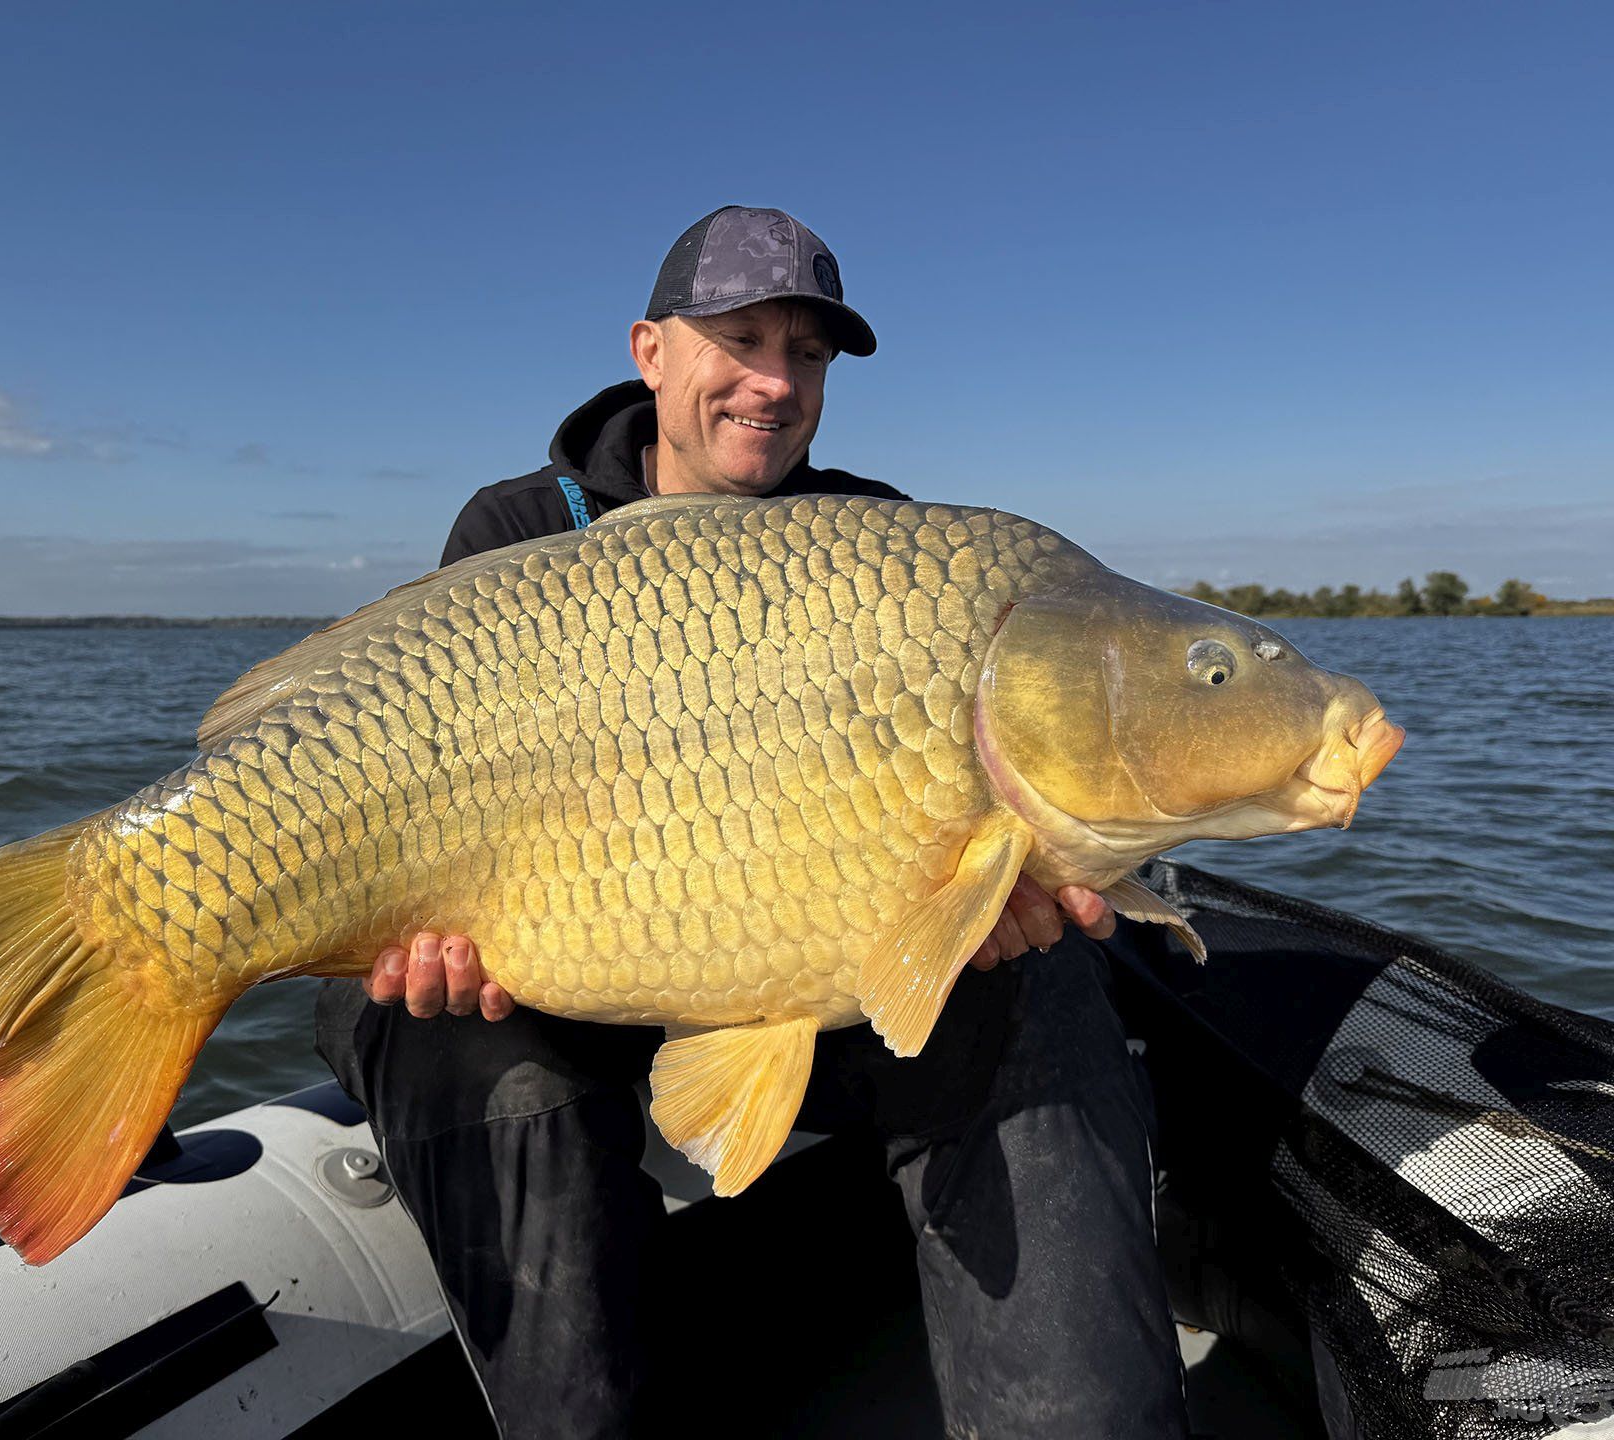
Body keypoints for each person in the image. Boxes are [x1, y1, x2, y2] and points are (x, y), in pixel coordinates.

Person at [315, 206, 1189, 1437]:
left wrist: (997, 905)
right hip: (566, 986)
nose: (774, 383)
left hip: (801, 974)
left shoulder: (875, 539)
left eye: (808, 353)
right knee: (440, 1031)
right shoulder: (512, 532)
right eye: (739, 337)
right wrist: (427, 948)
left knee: (1044, 985)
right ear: (652, 349)